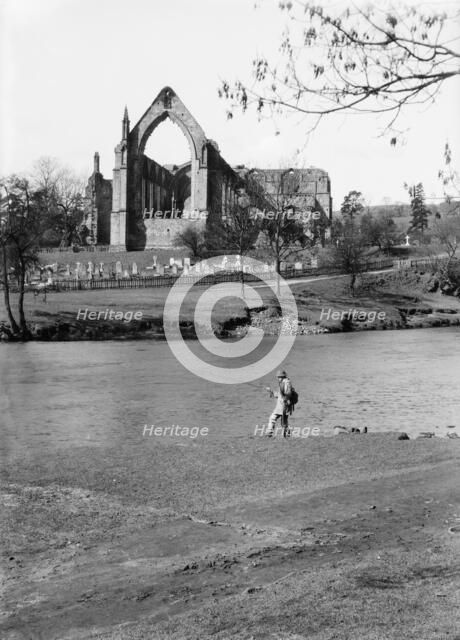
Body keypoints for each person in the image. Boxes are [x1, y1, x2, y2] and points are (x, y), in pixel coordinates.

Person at [266, 370, 293, 438]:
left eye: (279, 377)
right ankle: (287, 433)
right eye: (278, 377)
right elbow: (278, 395)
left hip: (283, 406)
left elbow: (287, 394)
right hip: (282, 406)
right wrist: (271, 391)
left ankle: (269, 432)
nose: (278, 378)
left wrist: (285, 398)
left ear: (282, 377)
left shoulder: (286, 383)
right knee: (283, 422)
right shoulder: (283, 383)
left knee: (274, 418)